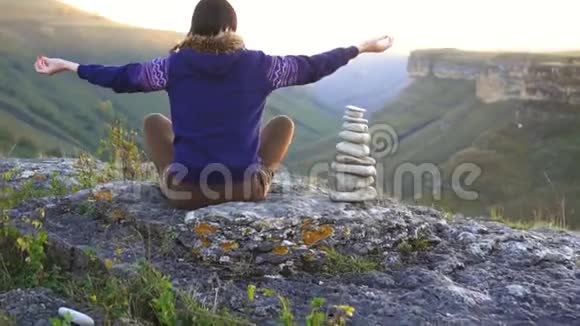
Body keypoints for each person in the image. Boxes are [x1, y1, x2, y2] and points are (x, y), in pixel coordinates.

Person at [34, 0, 394, 210]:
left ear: (195, 29)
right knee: (283, 124)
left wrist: (71, 66)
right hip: (246, 189)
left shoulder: (172, 66)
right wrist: (360, 46)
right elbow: (313, 66)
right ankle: (261, 178)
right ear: (231, 27)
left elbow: (122, 77)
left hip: (186, 193)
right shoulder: (262, 66)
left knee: (155, 122)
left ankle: (170, 180)